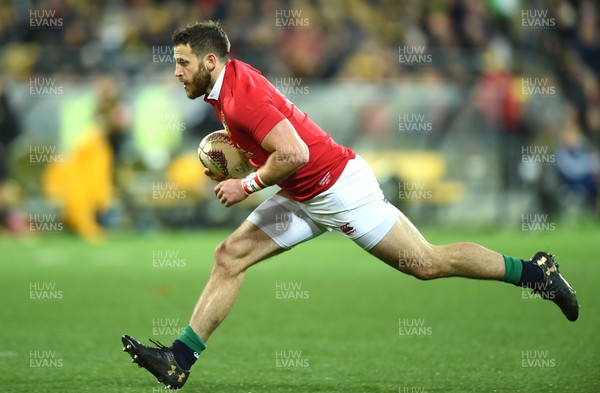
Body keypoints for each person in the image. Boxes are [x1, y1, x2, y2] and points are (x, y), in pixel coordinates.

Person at [121, 21, 579, 390]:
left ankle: (538, 273)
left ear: (209, 61)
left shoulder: (239, 100)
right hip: (303, 194)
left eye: (182, 63)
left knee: (426, 263)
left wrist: (247, 185)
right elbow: (279, 147)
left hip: (338, 189)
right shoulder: (228, 87)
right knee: (229, 256)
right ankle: (178, 361)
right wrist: (246, 166)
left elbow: (295, 153)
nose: (176, 72)